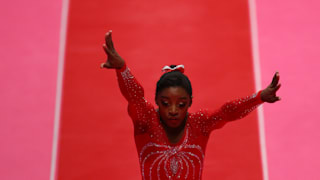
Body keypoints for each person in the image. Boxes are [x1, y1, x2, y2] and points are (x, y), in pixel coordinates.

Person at [100, 30, 281, 180]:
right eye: (165, 103)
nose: (173, 110)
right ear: (156, 101)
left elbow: (228, 112)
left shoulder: (199, 124)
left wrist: (259, 97)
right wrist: (122, 69)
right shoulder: (145, 122)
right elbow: (135, 98)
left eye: (181, 104)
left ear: (190, 102)